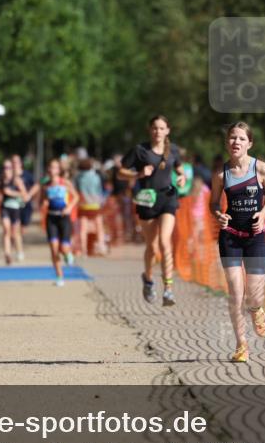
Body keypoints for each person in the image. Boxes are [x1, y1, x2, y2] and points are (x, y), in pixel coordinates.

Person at [210, 122, 265, 363]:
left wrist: (263, 214)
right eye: (232, 138)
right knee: (235, 294)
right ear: (227, 142)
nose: (236, 142)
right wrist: (218, 214)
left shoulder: (261, 168)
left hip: (255, 238)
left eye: (241, 138)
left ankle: (256, 309)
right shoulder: (221, 175)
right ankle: (241, 345)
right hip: (230, 237)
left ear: (249, 143)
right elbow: (213, 203)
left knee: (254, 297)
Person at [119, 115, 187, 306]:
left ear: (167, 131)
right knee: (152, 246)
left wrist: (182, 177)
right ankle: (148, 279)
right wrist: (138, 173)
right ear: (150, 130)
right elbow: (120, 172)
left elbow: (180, 169)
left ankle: (168, 289)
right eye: (155, 128)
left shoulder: (173, 150)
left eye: (162, 128)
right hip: (147, 200)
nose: (158, 131)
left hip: (168, 198)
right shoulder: (140, 150)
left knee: (165, 242)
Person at [39, 158, 80, 286]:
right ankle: (59, 277)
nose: (52, 170)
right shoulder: (46, 185)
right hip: (51, 218)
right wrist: (44, 203)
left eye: (55, 167)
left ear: (59, 170)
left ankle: (68, 254)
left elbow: (76, 196)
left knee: (64, 248)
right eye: (50, 167)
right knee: (53, 248)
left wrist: (69, 208)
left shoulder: (65, 182)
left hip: (64, 218)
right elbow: (44, 200)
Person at [74, 158, 108, 257]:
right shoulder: (96, 177)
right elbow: (99, 191)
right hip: (95, 204)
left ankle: (83, 250)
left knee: (83, 228)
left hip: (83, 204)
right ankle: (101, 247)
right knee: (99, 227)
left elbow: (76, 190)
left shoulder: (78, 177)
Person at [0, 158, 28, 265]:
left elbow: (24, 194)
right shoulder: (1, 180)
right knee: (6, 230)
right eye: (4, 168)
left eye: (8, 167)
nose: (6, 170)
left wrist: (11, 193)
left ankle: (19, 251)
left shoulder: (17, 180)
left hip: (15, 209)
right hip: (4, 208)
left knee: (15, 233)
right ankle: (7, 254)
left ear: (12, 169)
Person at [13, 154, 36, 258]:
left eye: (16, 162)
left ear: (20, 163)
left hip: (26, 205)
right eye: (13, 162)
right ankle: (19, 250)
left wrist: (29, 195)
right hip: (14, 206)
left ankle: (18, 241)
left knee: (22, 229)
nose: (15, 164)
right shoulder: (9, 175)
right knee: (15, 228)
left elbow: (35, 186)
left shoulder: (27, 175)